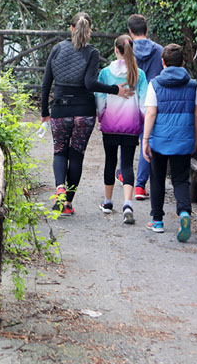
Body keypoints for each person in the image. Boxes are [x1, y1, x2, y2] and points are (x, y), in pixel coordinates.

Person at [40, 12, 133, 216]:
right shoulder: (91, 52)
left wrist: (45, 111)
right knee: (76, 155)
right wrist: (115, 89)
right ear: (89, 31)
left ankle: (59, 189)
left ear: (71, 28)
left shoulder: (57, 49)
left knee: (59, 151)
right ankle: (68, 203)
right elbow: (90, 84)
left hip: (60, 109)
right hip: (84, 111)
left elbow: (46, 84)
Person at [141, 44, 197, 241]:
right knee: (180, 179)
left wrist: (146, 139)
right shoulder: (192, 85)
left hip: (160, 139)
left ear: (163, 62)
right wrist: (195, 136)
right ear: (183, 62)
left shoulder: (155, 84)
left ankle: (157, 221)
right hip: (183, 138)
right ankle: (184, 212)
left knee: (157, 178)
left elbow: (151, 112)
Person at [95, 34, 148, 225]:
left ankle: (108, 202)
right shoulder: (139, 74)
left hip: (110, 124)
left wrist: (101, 117)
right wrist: (141, 122)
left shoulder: (106, 73)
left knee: (110, 161)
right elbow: (144, 103)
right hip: (131, 125)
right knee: (127, 164)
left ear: (116, 50)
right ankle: (127, 204)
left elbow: (100, 99)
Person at [126, 14, 164, 200]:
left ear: (130, 31)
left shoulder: (127, 50)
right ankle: (140, 186)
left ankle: (123, 173)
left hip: (130, 100)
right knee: (146, 141)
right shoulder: (160, 51)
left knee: (126, 139)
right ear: (146, 30)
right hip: (151, 103)